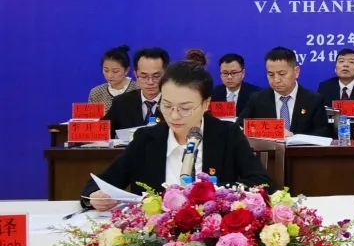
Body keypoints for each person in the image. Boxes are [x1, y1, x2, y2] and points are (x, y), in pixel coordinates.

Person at [83, 61, 273, 211]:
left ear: (206, 103)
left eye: (185, 108)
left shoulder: (227, 135)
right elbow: (98, 184)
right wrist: (94, 196)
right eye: (167, 105)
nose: (174, 116)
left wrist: (210, 191)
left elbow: (262, 183)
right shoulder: (146, 139)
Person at [238, 47, 331, 137]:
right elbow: (239, 127)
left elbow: (322, 135)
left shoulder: (314, 100)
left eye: (282, 74)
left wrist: (294, 137)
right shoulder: (257, 99)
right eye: (271, 74)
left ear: (296, 72)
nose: (276, 80)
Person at [104, 47, 170, 131]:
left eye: (156, 76)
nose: (150, 82)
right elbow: (103, 131)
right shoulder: (121, 103)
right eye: (144, 76)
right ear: (136, 75)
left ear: (166, 75)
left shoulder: (175, 103)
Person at [88, 44, 139, 110]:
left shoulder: (138, 90)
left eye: (115, 71)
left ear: (126, 70)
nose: (109, 75)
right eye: (106, 70)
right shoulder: (96, 93)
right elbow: (92, 116)